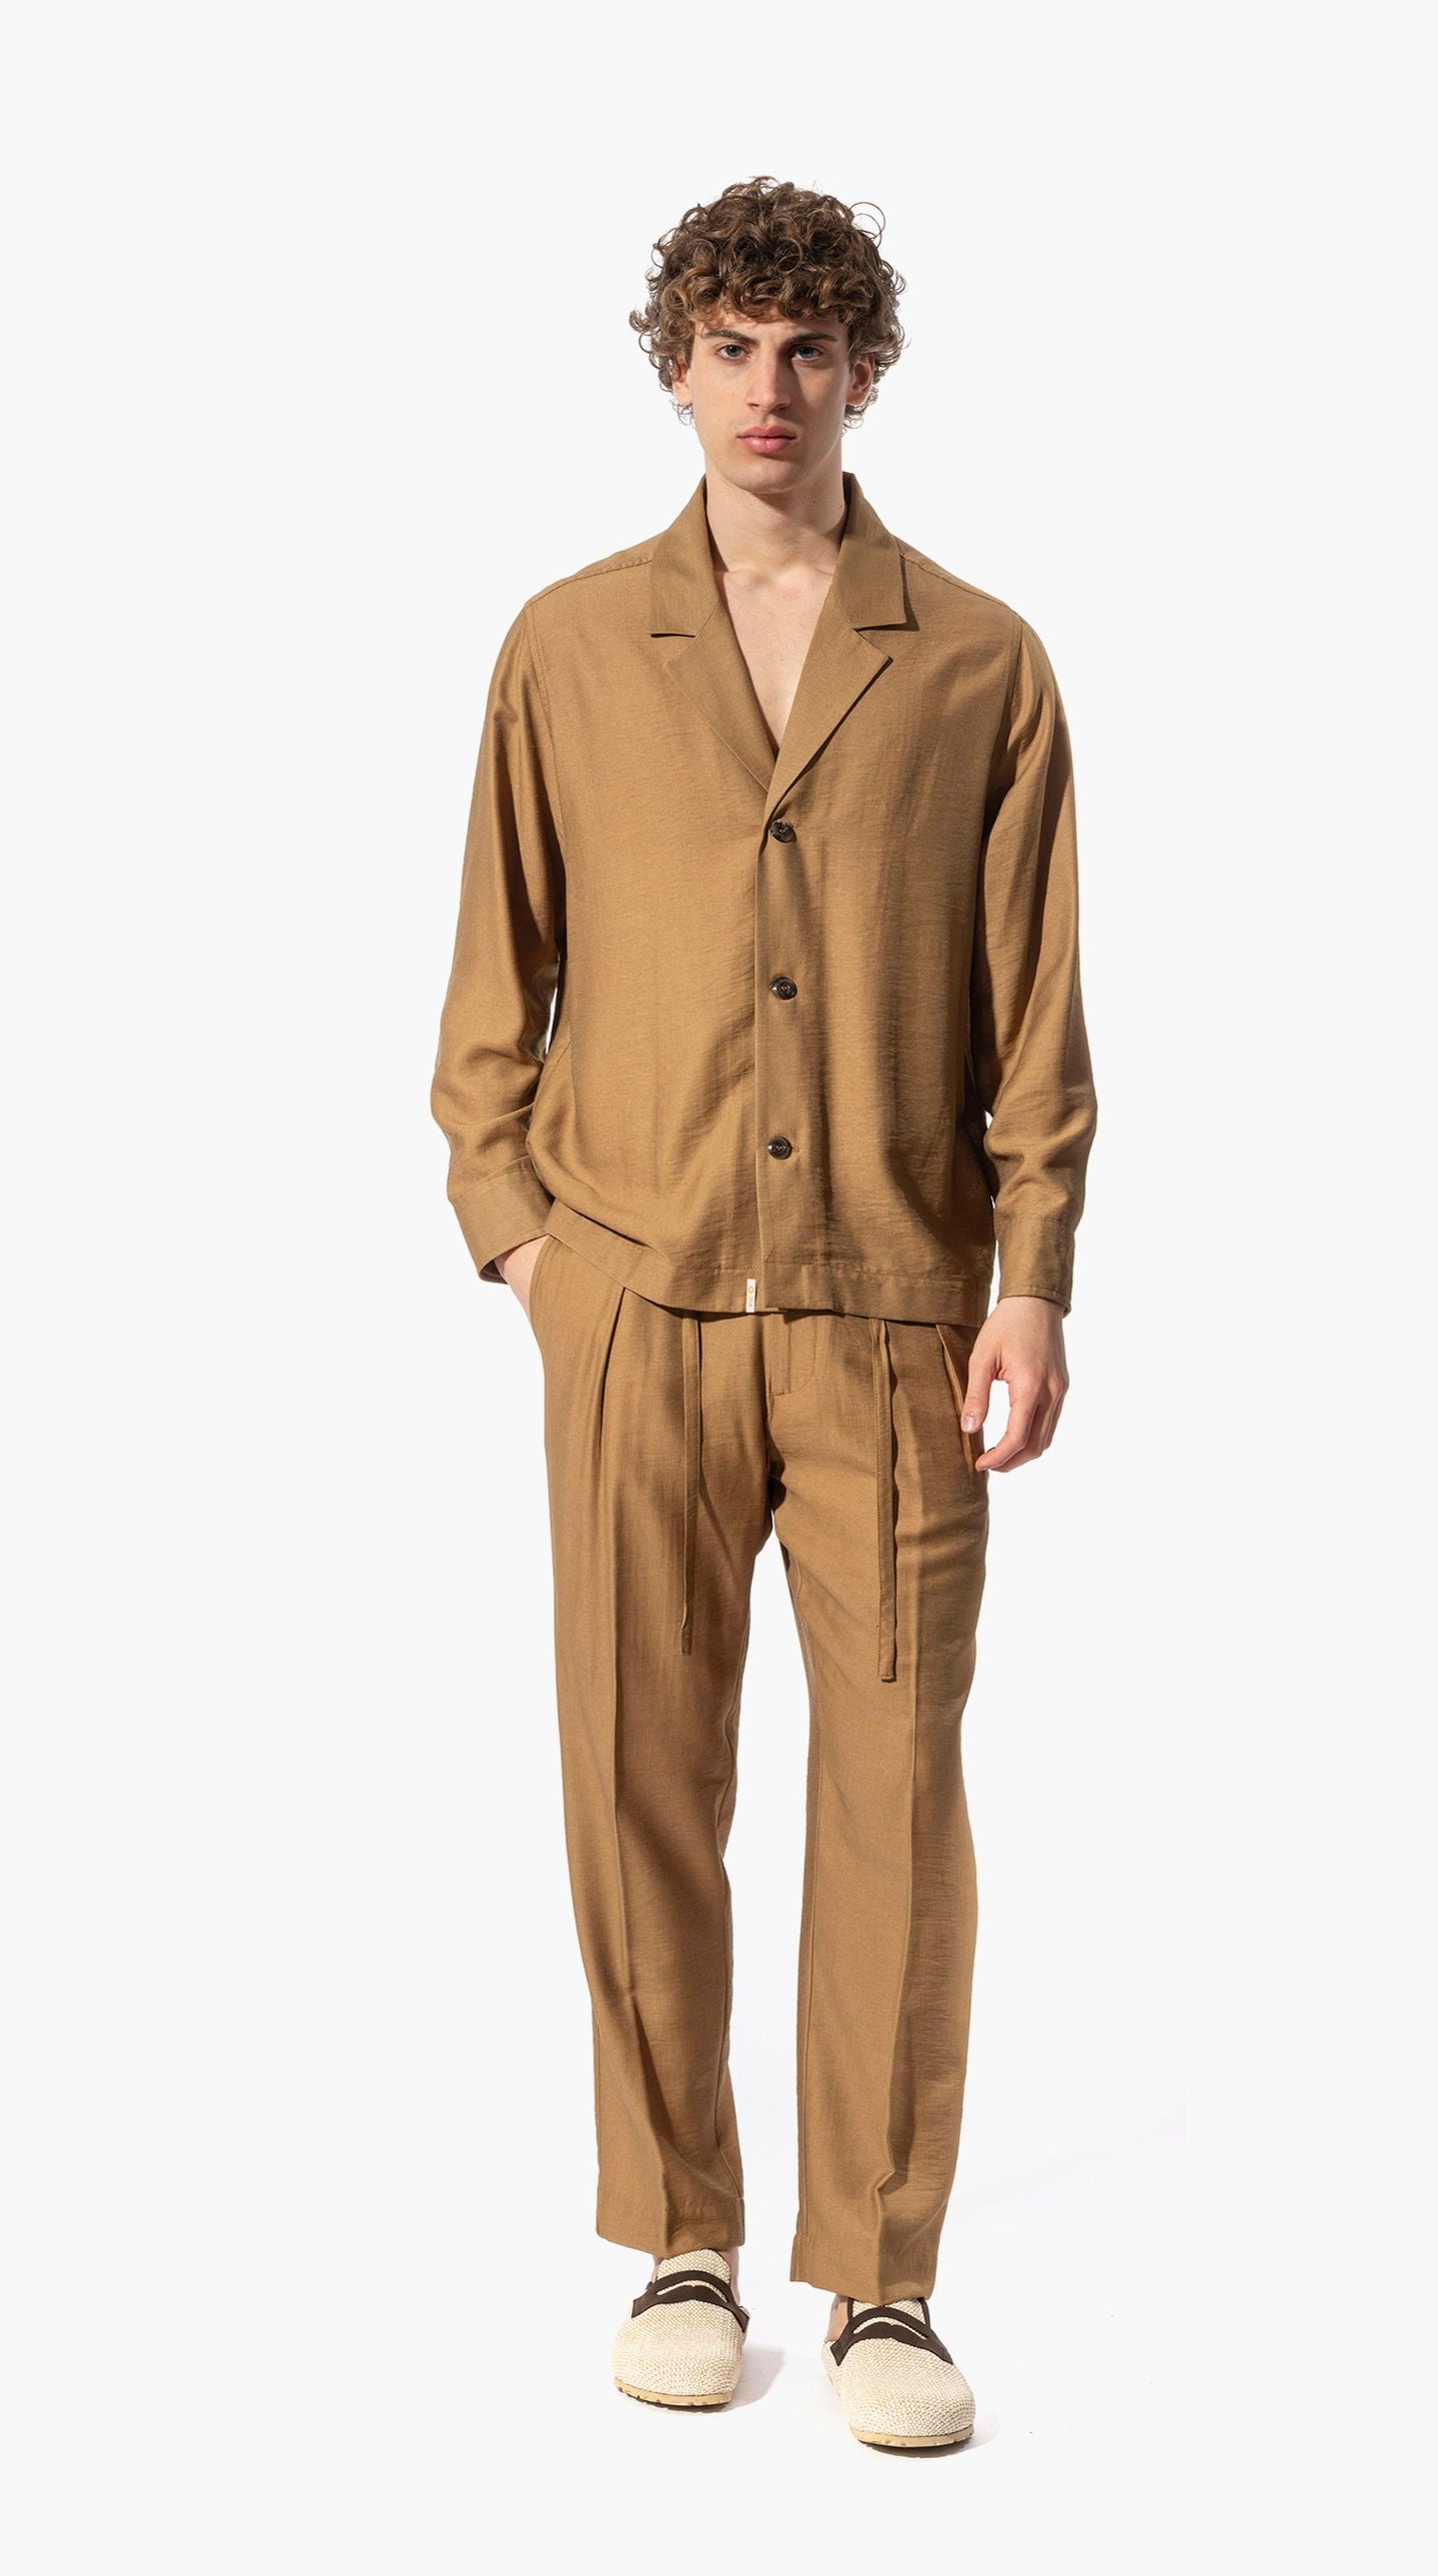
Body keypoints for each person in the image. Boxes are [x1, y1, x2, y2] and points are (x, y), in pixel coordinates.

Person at [431, 175, 1097, 2452]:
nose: (769, 389)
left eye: (809, 348)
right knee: (638, 1777)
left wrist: (1032, 1279)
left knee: (897, 1790)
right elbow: (489, 987)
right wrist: (529, 1250)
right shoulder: (566, 646)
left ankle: (882, 2279)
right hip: (632, 1300)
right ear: (676, 366)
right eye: (730, 346)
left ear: (865, 370)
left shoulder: (980, 661)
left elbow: (1035, 1015)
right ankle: (680, 2236)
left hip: (896, 1319)